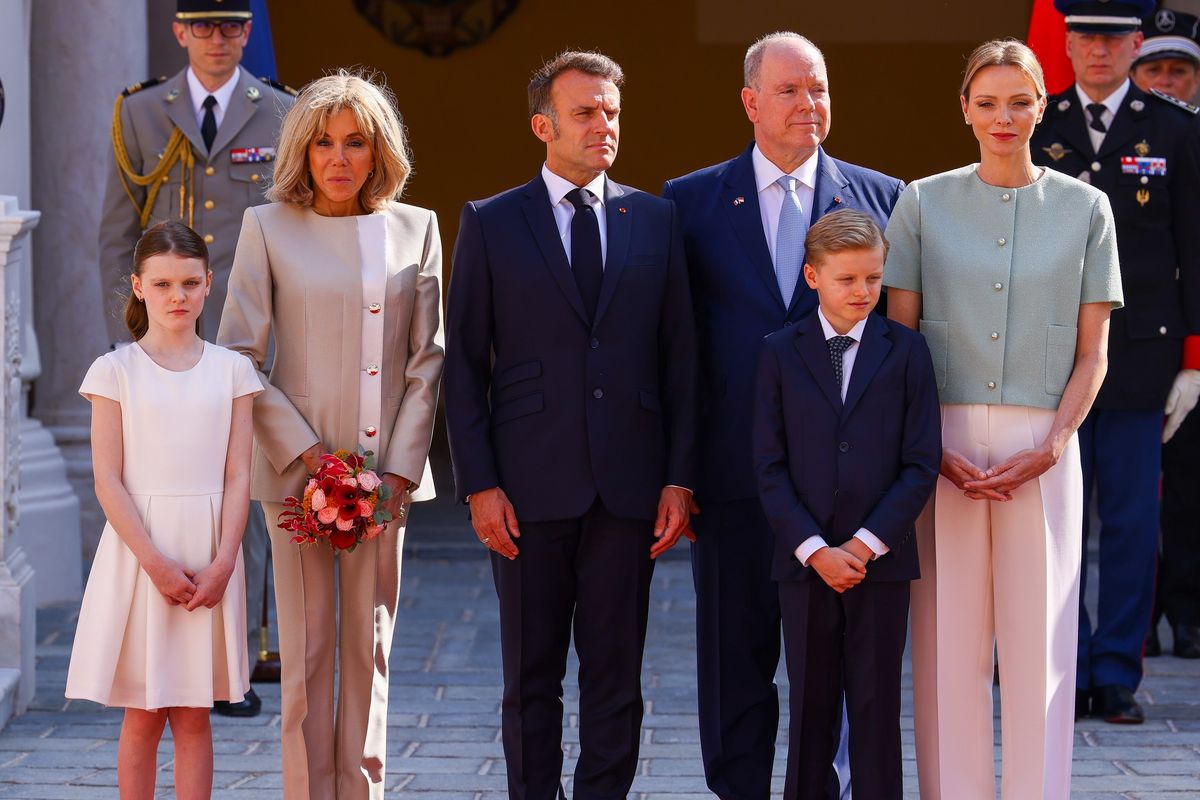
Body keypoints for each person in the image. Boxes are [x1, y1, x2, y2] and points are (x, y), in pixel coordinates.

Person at [444, 51, 696, 798]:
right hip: (526, 489)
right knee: (531, 679)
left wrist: (680, 476)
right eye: (586, 112)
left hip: (630, 488)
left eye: (612, 111)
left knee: (617, 679)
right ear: (542, 125)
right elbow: (464, 365)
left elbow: (681, 361)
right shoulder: (490, 223)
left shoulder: (656, 218)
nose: (603, 125)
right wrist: (480, 485)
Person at [661, 31, 903, 800]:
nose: (810, 104)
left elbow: (897, 351)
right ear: (751, 102)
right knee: (734, 663)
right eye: (792, 90)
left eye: (820, 88)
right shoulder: (690, 201)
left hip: (842, 490)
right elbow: (680, 349)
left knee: (829, 672)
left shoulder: (883, 197)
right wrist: (679, 473)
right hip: (733, 479)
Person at [886, 39, 1121, 799]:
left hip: (1044, 446)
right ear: (964, 110)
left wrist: (1054, 444)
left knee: (1041, 648)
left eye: (1019, 100)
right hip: (941, 442)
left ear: (1042, 105)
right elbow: (900, 343)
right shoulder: (921, 201)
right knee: (948, 642)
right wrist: (927, 448)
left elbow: (1093, 355)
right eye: (986, 102)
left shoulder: (1089, 208)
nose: (1003, 116)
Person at [217, 71, 444, 799]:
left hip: (385, 479)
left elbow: (427, 361)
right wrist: (314, 458)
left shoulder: (418, 227)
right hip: (297, 476)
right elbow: (240, 359)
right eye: (322, 143)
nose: (338, 158)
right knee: (309, 654)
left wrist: (398, 473)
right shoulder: (267, 228)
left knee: (369, 651)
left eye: (354, 142)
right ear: (302, 152)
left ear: (379, 152)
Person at [97, 0, 295, 717]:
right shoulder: (142, 115)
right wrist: (126, 341)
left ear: (248, 31)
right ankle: (163, 654)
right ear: (179, 31)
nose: (218, 40)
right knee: (163, 492)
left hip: (245, 336)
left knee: (237, 489)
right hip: (160, 341)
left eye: (232, 26)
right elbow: (118, 235)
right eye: (203, 26)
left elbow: (292, 235)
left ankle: (232, 665)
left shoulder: (279, 112)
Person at [1031, 0, 1200, 724]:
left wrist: (1194, 359)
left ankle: (1115, 673)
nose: (1097, 52)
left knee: (1130, 522)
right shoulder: (1036, 125)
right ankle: (1060, 662)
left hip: (1141, 361)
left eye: (1111, 38)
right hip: (1049, 358)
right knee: (1054, 518)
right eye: (1083, 38)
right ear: (1065, 45)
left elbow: (1194, 248)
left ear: (1136, 42)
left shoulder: (1174, 131)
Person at [66, 221, 262, 798]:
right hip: (138, 555)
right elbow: (108, 479)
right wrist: (153, 562)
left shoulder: (233, 371)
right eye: (163, 283)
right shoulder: (114, 371)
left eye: (190, 283)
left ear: (207, 286)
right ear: (138, 286)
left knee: (195, 712)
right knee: (143, 713)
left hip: (210, 553)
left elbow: (237, 474)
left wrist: (225, 561)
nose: (177, 296)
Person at [752, 210, 940, 800]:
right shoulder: (779, 352)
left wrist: (861, 546)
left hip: (879, 563)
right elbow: (768, 465)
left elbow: (920, 463)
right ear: (812, 277)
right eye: (847, 280)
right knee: (810, 705)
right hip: (803, 566)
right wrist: (814, 549)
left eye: (873, 280)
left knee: (877, 705)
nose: (863, 293)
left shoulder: (907, 351)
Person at [1130, 7, 1200, 660]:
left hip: (1192, 342)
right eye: (1156, 68)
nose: (1168, 81)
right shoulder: (1118, 139)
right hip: (1142, 340)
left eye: (1180, 70)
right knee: (1132, 492)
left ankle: (1190, 610)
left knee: (1190, 487)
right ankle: (1142, 617)